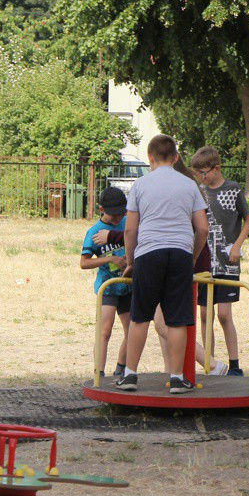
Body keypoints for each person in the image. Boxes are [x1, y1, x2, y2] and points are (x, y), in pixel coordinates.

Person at [92, 159, 228, 376]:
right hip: (185, 261)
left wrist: (115, 240)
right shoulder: (187, 192)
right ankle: (172, 371)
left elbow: (146, 231)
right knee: (167, 323)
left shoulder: (167, 195)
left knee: (165, 324)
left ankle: (210, 364)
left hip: (171, 262)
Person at [116, 135, 209, 394]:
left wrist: (131, 261)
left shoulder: (140, 184)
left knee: (140, 317)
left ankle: (130, 375)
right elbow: (202, 228)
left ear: (150, 158)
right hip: (180, 253)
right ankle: (177, 378)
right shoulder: (189, 185)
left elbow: (130, 230)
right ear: (176, 158)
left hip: (148, 253)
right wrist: (191, 257)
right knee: (178, 319)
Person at [190, 146, 249, 376]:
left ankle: (234, 364)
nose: (201, 177)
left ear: (216, 168)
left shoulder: (232, 189)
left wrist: (237, 246)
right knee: (204, 314)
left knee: (224, 315)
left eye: (203, 173)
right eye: (197, 173)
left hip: (227, 263)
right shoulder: (198, 192)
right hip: (205, 263)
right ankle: (210, 364)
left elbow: (248, 220)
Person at [81, 187, 131, 377]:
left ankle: (121, 368)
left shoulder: (127, 223)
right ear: (102, 210)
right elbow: (84, 262)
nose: (118, 218)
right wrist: (111, 259)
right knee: (105, 330)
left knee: (132, 329)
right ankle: (99, 373)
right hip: (108, 287)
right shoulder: (95, 232)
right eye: (113, 214)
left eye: (121, 213)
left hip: (128, 285)